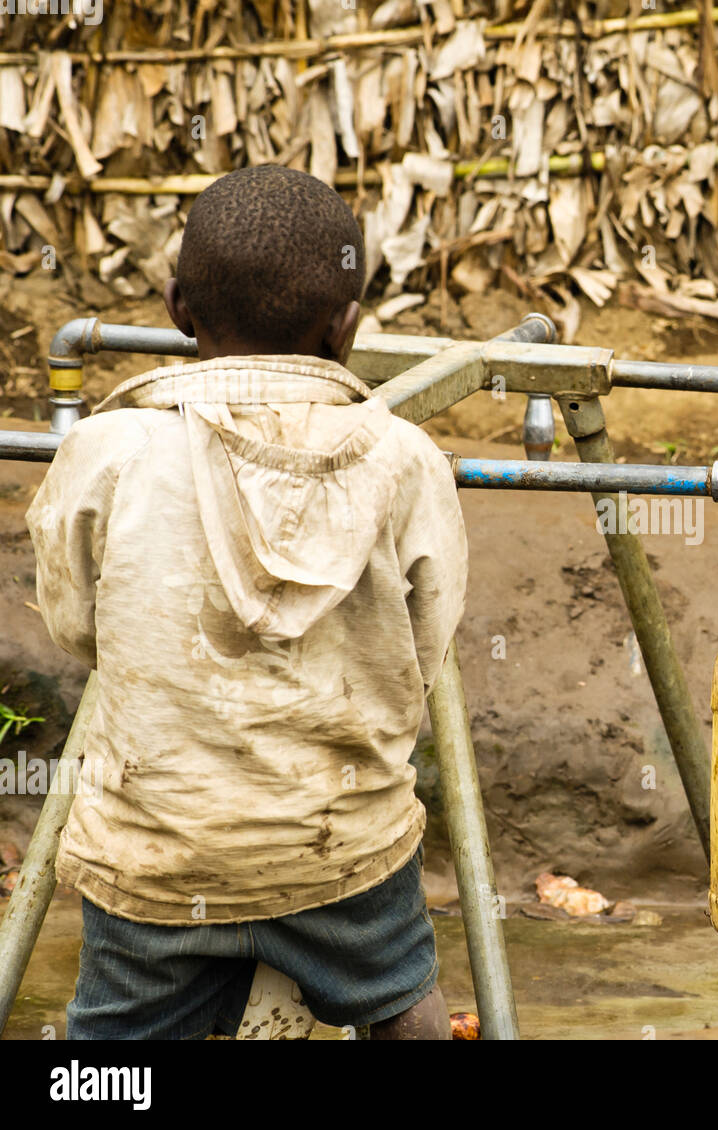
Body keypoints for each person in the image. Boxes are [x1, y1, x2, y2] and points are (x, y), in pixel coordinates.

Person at [27, 166, 467, 1039]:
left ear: (175, 304)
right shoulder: (404, 459)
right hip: (338, 848)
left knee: (110, 1056)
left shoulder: (108, 452)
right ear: (348, 326)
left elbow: (76, 623)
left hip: (157, 852)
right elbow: (427, 643)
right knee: (406, 1011)